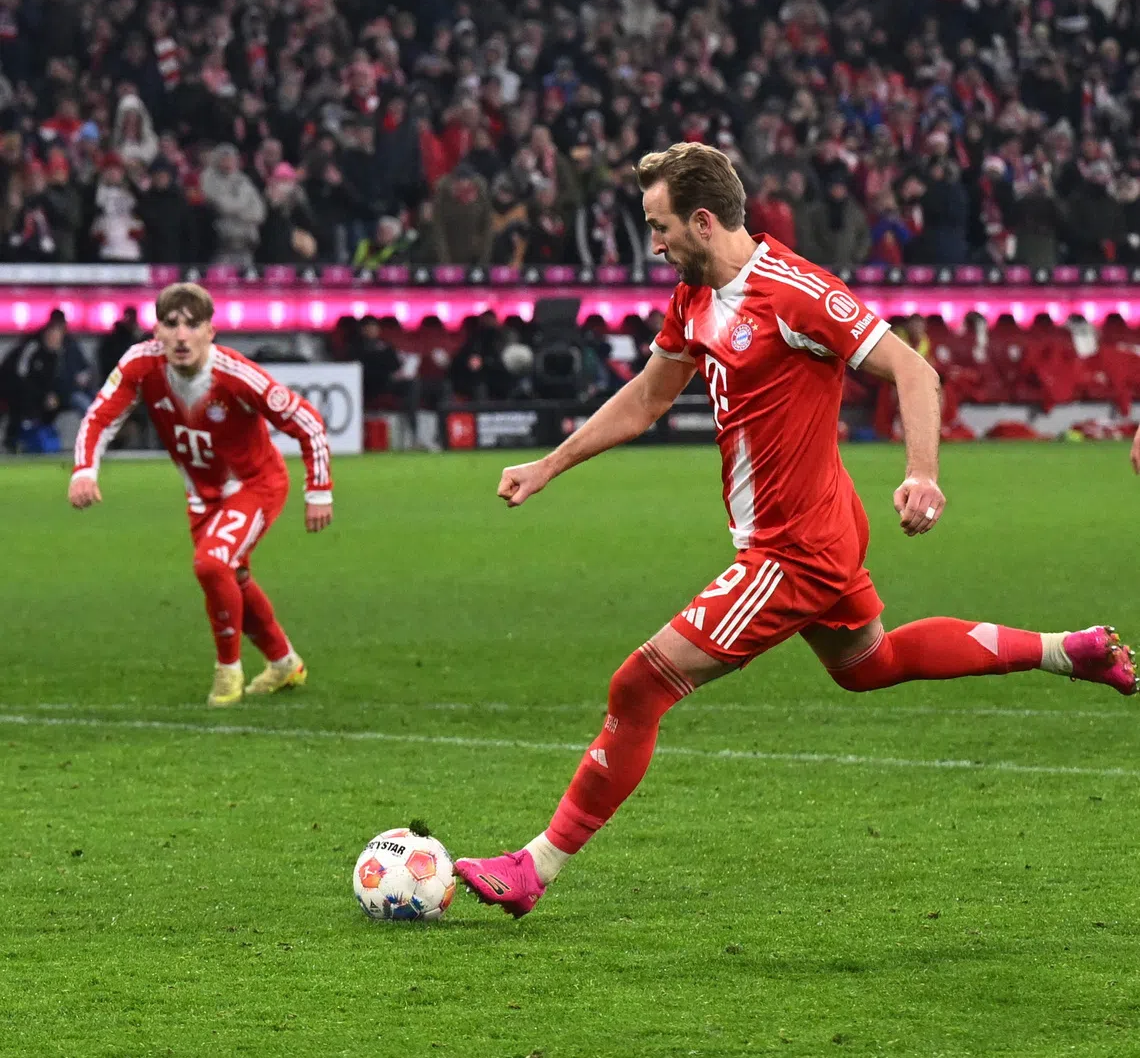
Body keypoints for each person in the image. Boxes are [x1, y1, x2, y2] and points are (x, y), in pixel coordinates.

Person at [455, 142, 1136, 918]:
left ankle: (534, 867)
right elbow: (647, 399)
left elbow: (916, 372)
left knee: (639, 684)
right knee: (869, 664)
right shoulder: (695, 293)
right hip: (814, 528)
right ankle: (1066, 651)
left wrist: (921, 475)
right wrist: (550, 465)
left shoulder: (796, 292)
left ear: (703, 221)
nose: (654, 243)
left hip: (794, 550)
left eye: (660, 225)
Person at [68, 283, 334, 708]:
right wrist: (84, 470)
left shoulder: (235, 375)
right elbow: (100, 416)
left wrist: (318, 490)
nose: (180, 336)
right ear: (156, 330)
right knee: (234, 579)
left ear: (211, 332)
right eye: (170, 324)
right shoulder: (141, 364)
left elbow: (307, 421)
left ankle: (227, 672)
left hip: (255, 486)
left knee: (212, 565)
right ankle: (284, 663)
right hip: (201, 496)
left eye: (193, 325)